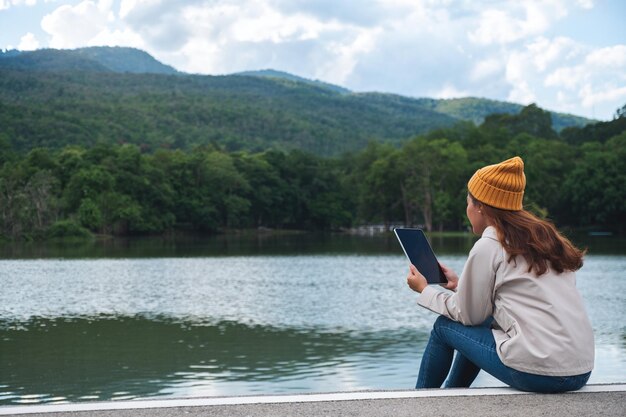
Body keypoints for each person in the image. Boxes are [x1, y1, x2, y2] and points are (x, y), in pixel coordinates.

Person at [406, 156, 594, 393]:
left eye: (468, 202)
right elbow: (508, 297)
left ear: (481, 206)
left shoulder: (491, 244)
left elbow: (469, 315)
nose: (467, 209)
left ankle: (419, 402)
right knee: (482, 321)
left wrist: (425, 290)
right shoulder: (543, 237)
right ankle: (450, 397)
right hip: (579, 371)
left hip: (541, 374)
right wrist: (459, 285)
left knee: (444, 327)